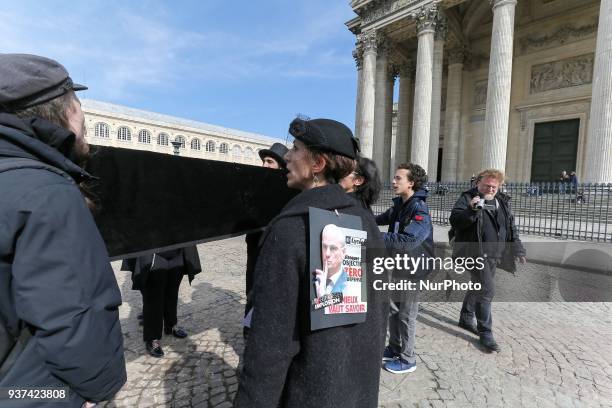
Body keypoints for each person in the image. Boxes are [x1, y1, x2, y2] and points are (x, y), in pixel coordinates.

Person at [0, 53, 126, 406]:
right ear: (58, 111)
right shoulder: (46, 191)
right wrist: (99, 389)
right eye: (77, 102)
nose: (83, 115)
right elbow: (73, 315)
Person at [235, 117, 387, 408]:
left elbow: (271, 345)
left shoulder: (291, 228)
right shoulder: (364, 220)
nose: (288, 157)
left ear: (317, 164)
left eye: (295, 148)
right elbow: (376, 312)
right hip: (354, 389)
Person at [450, 169, 526, 352]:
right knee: (487, 290)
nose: (490, 189)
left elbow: (510, 226)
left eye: (494, 186)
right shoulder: (467, 198)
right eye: (486, 185)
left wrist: (518, 248)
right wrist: (471, 210)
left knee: (478, 285)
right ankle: (486, 333)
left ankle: (466, 318)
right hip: (475, 253)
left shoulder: (502, 201)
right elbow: (455, 220)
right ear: (478, 183)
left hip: (495, 254)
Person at [375, 163, 434, 374]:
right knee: (393, 309)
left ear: (411, 183)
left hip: (414, 269)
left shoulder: (419, 209)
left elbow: (409, 241)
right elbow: (379, 219)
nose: (393, 181)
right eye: (394, 177)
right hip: (400, 265)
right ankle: (394, 347)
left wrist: (376, 237)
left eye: (398, 178)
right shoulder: (400, 204)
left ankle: (408, 359)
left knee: (406, 314)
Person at [122, 246, 201, 357]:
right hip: (154, 253)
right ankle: (152, 338)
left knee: (172, 293)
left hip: (177, 251)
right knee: (153, 299)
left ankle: (171, 325)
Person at [243, 142, 289, 335]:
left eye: (269, 162)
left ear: (280, 166)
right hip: (255, 251)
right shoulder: (256, 188)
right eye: (263, 161)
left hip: (277, 254)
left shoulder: (288, 192)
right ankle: (248, 330)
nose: (264, 165)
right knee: (252, 292)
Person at [313, 224, 347, 298]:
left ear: (343, 253)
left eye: (333, 248)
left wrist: (322, 299)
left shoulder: (349, 284)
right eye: (324, 247)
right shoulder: (316, 277)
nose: (327, 254)